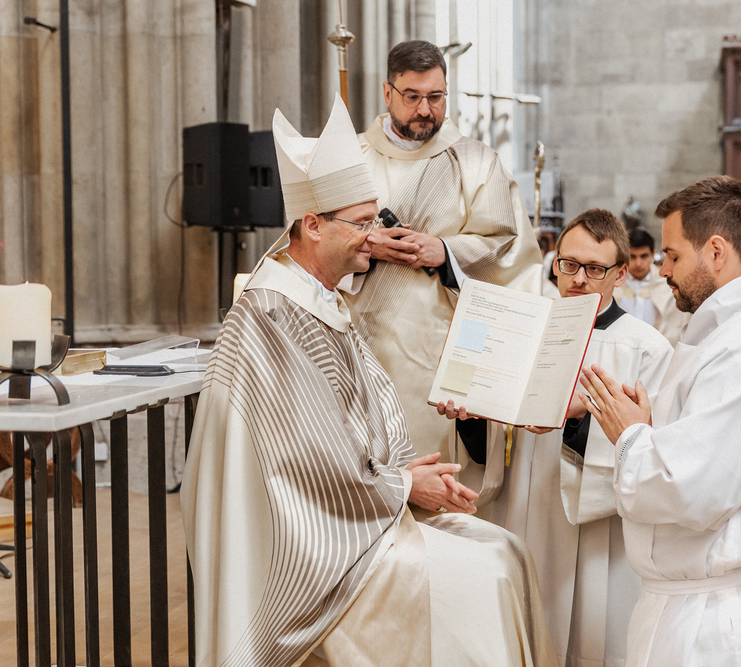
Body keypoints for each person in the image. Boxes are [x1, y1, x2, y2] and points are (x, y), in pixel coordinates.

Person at [181, 96, 556, 667]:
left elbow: (343, 430)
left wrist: (407, 474)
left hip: (348, 515)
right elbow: (298, 462)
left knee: (507, 550)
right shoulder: (272, 312)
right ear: (312, 225)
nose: (372, 237)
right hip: (306, 552)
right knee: (487, 573)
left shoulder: (320, 300)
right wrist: (403, 487)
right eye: (360, 224)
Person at [571, 176, 741, 666]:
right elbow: (703, 436)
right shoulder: (729, 332)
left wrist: (630, 433)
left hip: (722, 624)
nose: (663, 270)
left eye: (672, 255)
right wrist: (629, 418)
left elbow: (691, 488)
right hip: (701, 601)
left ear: (715, 251)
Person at [343, 40, 543, 480]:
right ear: (387, 92)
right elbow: (308, 240)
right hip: (358, 351)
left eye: (435, 97)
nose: (424, 110)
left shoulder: (476, 162)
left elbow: (512, 249)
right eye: (412, 96)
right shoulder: (350, 159)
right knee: (365, 478)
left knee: (443, 483)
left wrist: (447, 251)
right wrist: (366, 244)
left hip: (444, 356)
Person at [480, 210, 672, 666]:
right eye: (568, 265)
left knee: (592, 639)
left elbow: (651, 451)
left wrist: (580, 419)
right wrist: (472, 415)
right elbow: (494, 432)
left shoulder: (645, 347)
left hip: (597, 532)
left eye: (594, 269)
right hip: (524, 504)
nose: (579, 279)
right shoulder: (524, 332)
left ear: (620, 274)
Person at [615, 227, 691, 346]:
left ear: (652, 254)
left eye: (643, 256)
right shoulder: (613, 285)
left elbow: (674, 327)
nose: (638, 263)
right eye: (633, 256)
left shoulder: (667, 285)